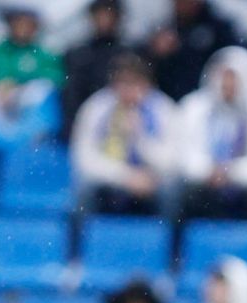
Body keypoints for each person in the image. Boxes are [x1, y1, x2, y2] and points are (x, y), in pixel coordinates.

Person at [174, 45, 247, 220]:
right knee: (173, 185)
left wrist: (230, 172)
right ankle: (173, 245)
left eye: (234, 77)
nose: (228, 84)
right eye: (223, 76)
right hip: (202, 184)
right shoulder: (193, 106)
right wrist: (209, 171)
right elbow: (186, 158)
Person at [71, 53, 178, 216]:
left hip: (151, 182)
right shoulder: (96, 107)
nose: (128, 91)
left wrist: (139, 138)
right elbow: (84, 160)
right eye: (123, 83)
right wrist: (126, 177)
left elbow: (171, 162)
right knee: (84, 189)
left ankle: (170, 241)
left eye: (135, 83)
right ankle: (79, 241)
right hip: (110, 181)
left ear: (147, 84)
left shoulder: (163, 109)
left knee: (172, 190)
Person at [145, 0, 239, 101]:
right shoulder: (166, 27)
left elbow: (233, 58)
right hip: (172, 98)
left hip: (210, 95)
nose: (181, 4)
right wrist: (158, 53)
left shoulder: (217, 28)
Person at [61, 0, 127, 132]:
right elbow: (72, 95)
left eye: (109, 15)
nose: (104, 20)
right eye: (100, 15)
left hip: (122, 122)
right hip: (84, 124)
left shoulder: (128, 53)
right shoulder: (77, 54)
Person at [0, 3, 63, 87]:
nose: (24, 28)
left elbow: (56, 79)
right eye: (19, 23)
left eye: (28, 24)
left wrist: (19, 85)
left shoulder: (46, 55)